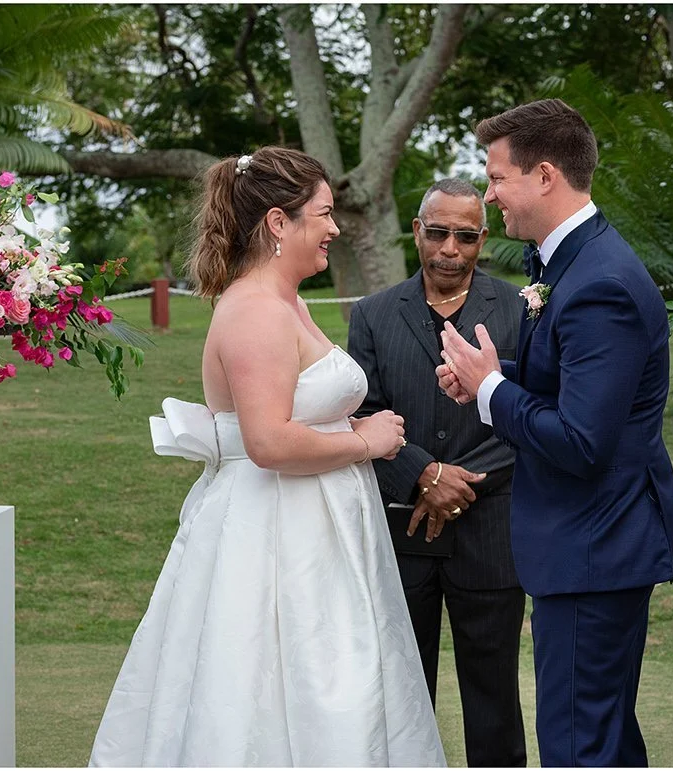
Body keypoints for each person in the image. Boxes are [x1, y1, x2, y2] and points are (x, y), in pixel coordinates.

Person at [89, 146, 445, 767]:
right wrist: (368, 441)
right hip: (273, 530)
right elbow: (268, 441)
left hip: (320, 521)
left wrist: (350, 424)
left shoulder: (289, 301)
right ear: (280, 223)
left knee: (339, 675)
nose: (335, 228)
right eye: (324, 214)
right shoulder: (254, 310)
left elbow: (299, 407)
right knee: (272, 681)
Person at [437, 98, 673, 767]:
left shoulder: (599, 281)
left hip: (594, 550)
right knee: (599, 739)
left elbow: (581, 440)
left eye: (496, 178)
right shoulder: (568, 264)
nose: (489, 196)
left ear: (544, 176)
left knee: (581, 748)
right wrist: (499, 376)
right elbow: (576, 380)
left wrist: (493, 391)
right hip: (590, 544)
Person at [347, 178, 528, 767]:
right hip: (402, 536)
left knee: (494, 698)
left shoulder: (520, 310)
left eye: (467, 236)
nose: (451, 248)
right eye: (439, 232)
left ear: (483, 238)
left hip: (493, 535)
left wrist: (456, 482)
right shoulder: (373, 315)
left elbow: (532, 413)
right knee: (401, 696)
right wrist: (424, 474)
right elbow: (363, 413)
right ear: (419, 231)